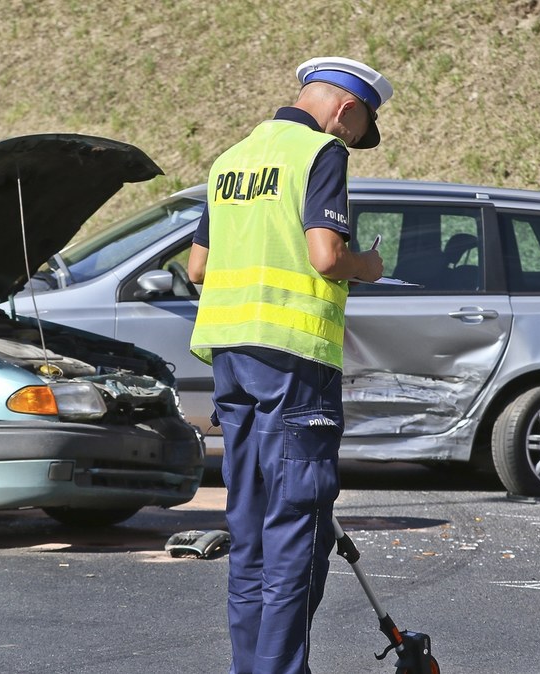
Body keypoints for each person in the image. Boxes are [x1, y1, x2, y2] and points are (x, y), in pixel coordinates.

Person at [186, 56, 390, 674]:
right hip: (295, 362)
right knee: (296, 531)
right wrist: (370, 266)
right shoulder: (320, 153)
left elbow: (197, 269)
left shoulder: (232, 160)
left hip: (229, 356)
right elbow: (327, 256)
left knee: (249, 530)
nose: (350, 140)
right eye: (355, 130)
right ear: (345, 110)